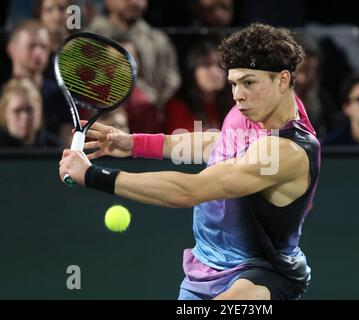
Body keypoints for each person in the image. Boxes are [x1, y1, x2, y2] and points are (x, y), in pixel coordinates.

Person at [58, 23, 321, 300]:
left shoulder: (288, 151)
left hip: (264, 274)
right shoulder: (252, 110)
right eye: (233, 83)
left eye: (248, 82)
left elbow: (190, 191)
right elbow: (217, 143)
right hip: (206, 266)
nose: (237, 95)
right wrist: (135, 143)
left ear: (282, 80)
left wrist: (92, 175)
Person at [88, 0, 181, 109]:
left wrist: (152, 102)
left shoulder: (158, 41)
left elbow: (171, 81)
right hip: (100, 119)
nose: (136, 2)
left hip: (147, 118)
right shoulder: (85, 39)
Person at [6, 19, 72, 146]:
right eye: (31, 46)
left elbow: (67, 140)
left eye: (43, 47)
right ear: (11, 49)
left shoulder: (60, 95)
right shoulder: (2, 91)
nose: (38, 53)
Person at [165, 41, 232, 133]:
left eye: (220, 65)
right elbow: (179, 144)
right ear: (191, 71)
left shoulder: (234, 105)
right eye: (206, 64)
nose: (215, 72)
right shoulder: (178, 107)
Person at [0, 78, 62, 147]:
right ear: (4, 113)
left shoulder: (54, 145)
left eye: (30, 110)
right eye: (17, 111)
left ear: (40, 111)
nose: (25, 117)